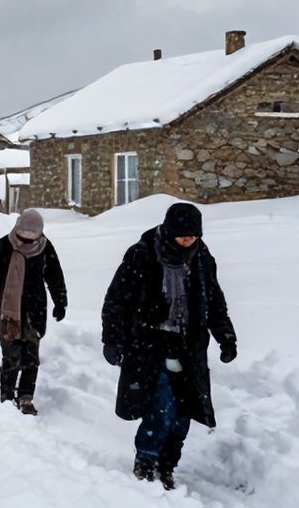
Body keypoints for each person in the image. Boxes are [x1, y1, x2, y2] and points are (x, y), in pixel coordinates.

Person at [101, 203, 237, 491]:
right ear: (170, 231)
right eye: (182, 235)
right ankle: (146, 462)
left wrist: (226, 337)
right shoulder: (143, 255)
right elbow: (116, 300)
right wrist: (112, 339)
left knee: (183, 413)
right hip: (150, 344)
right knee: (161, 406)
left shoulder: (202, 259)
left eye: (193, 235)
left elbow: (214, 301)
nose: (188, 240)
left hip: (188, 345)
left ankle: (167, 465)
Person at [0, 209, 67, 415]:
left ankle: (25, 397)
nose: (29, 237)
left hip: (34, 311)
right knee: (11, 356)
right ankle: (7, 396)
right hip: (8, 313)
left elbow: (54, 276)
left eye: (34, 233)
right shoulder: (1, 247)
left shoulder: (44, 247)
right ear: (17, 228)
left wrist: (60, 301)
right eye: (26, 232)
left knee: (31, 358)